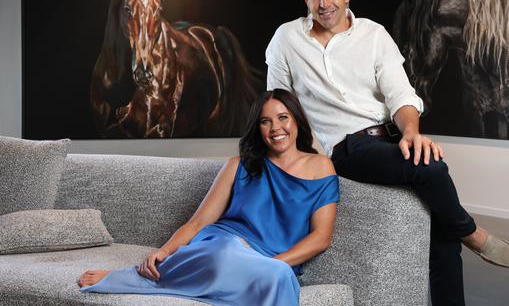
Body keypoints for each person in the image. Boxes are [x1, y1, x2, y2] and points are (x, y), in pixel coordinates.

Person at [265, 0, 509, 306]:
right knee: (431, 169)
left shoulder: (374, 35)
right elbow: (277, 102)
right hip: (345, 146)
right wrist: (288, 157)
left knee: (440, 230)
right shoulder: (287, 38)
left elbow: (400, 94)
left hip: (388, 135)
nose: (324, 3)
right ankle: (471, 232)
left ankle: (455, 246)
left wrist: (411, 133)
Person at [78, 89, 339, 306]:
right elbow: (198, 222)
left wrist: (269, 264)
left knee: (279, 275)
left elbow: (321, 237)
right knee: (225, 253)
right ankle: (130, 277)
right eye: (265, 121)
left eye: (283, 118)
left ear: (296, 120)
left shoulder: (321, 166)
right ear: (257, 128)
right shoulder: (238, 166)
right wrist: (165, 250)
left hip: (272, 260)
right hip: (224, 244)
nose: (275, 128)